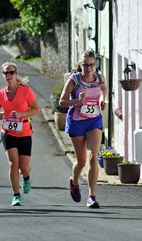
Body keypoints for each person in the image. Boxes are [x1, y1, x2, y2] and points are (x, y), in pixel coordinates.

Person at [58, 50, 107, 209]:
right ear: (80, 65)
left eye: (92, 64)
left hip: (94, 121)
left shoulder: (99, 78)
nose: (89, 68)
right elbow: (62, 102)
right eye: (85, 65)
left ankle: (91, 197)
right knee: (81, 161)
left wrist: (102, 100)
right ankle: (74, 181)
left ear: (95, 65)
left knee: (93, 157)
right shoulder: (74, 80)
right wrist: (77, 101)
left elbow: (104, 90)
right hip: (77, 122)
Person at [0, 62, 40, 206]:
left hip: (24, 132)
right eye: (6, 73)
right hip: (8, 133)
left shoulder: (26, 91)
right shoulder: (0, 94)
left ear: (16, 74)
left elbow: (36, 109)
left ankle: (26, 177)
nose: (9, 75)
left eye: (11, 72)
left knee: (23, 168)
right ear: (3, 75)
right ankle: (16, 195)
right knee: (13, 164)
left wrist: (21, 114)